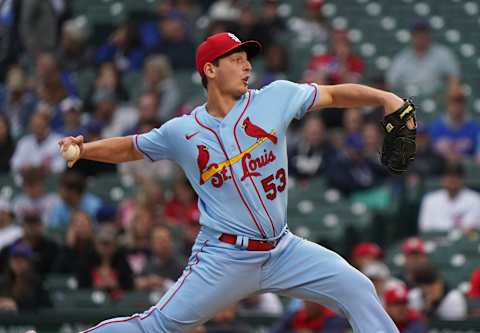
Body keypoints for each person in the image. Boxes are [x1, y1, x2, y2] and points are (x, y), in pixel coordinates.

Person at [59, 32, 408, 333]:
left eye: (247, 59)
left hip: (282, 249)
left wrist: (384, 98)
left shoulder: (276, 97)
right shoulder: (183, 131)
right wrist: (84, 148)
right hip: (224, 256)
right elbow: (130, 147)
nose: (247, 67)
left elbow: (333, 95)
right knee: (158, 326)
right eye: (237, 59)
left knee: (357, 287)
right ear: (210, 70)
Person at [418, 162, 480, 232]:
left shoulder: (475, 199)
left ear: (462, 179)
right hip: (437, 241)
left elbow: (475, 229)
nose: (452, 180)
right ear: (443, 179)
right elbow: (425, 229)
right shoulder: (430, 200)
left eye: (456, 176)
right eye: (449, 176)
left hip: (467, 241)